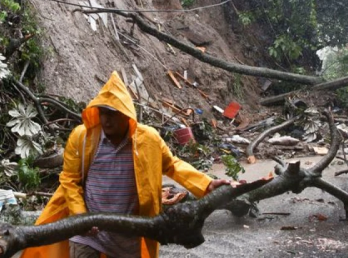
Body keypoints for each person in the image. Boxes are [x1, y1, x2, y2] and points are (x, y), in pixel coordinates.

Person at [21, 72, 232, 258]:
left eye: (113, 113)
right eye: (103, 112)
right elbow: (69, 179)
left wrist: (206, 184)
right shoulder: (83, 137)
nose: (106, 119)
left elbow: (173, 166)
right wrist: (80, 216)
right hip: (88, 234)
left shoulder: (148, 139)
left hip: (130, 236)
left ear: (127, 115)